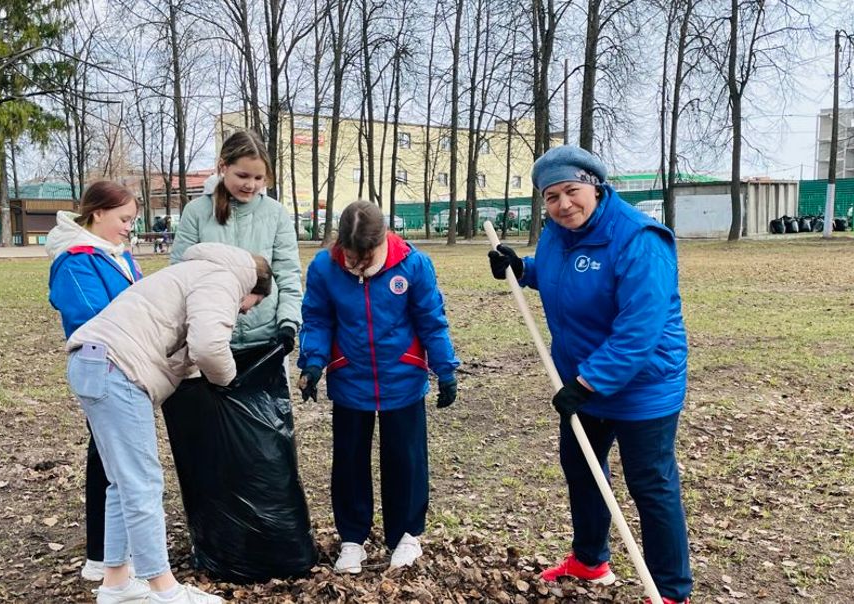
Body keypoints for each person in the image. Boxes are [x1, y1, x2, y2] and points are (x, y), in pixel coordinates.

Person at [487, 145, 692, 604]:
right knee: (582, 469)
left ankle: (673, 592)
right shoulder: (557, 234)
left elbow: (638, 331)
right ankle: (589, 560)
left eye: (572, 191)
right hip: (584, 383)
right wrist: (523, 270)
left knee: (651, 484)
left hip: (643, 385)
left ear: (595, 186)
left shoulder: (639, 239)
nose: (563, 205)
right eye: (552, 196)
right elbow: (567, 280)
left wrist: (584, 383)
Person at [65, 242, 272, 604]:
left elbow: (184, 345)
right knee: (143, 483)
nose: (241, 313)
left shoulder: (197, 272)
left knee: (121, 483)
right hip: (117, 369)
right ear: (252, 289)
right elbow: (208, 345)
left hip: (92, 363)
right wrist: (229, 380)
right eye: (247, 307)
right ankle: (163, 589)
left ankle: (116, 584)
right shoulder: (226, 280)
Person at [297, 200, 460, 573]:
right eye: (351, 257)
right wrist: (314, 361)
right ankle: (352, 539)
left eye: (365, 258)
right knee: (350, 459)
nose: (357, 266)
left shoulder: (413, 264)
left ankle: (406, 536)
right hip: (350, 379)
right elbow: (318, 319)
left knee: (405, 458)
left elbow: (431, 320)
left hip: (401, 378)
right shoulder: (325, 267)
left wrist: (445, 368)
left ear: (382, 240)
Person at [46, 180, 143, 582]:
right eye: (123, 219)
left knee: (110, 457)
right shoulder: (76, 260)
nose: (128, 228)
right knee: (108, 460)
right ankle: (102, 556)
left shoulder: (116, 256)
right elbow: (95, 317)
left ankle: (111, 554)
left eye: (132, 221)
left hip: (125, 366)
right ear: (97, 213)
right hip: (102, 367)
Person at [170, 129, 301, 388]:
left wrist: (288, 323)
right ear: (223, 167)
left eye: (258, 178)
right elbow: (180, 273)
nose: (250, 184)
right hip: (212, 342)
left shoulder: (276, 214)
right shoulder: (196, 212)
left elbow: (287, 274)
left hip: (264, 342)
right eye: (242, 175)